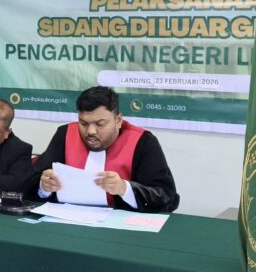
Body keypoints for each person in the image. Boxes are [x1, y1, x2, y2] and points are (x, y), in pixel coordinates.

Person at [29, 86, 180, 212]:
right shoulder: (65, 134)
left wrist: (124, 188)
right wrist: (44, 187)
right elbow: (30, 182)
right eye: (83, 123)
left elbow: (166, 196)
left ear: (118, 120)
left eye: (100, 124)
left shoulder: (143, 142)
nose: (90, 131)